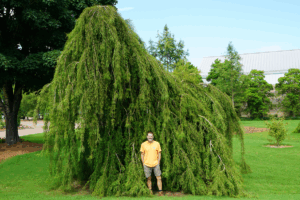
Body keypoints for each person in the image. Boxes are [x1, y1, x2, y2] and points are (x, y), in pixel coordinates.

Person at [140, 131, 163, 196]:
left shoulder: (157, 144)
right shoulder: (143, 144)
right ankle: (150, 191)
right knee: (149, 178)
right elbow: (142, 154)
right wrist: (143, 162)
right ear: (147, 137)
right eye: (149, 136)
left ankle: (160, 191)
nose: (150, 137)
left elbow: (159, 153)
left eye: (151, 136)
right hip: (147, 164)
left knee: (159, 177)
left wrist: (158, 162)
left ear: (153, 136)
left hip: (156, 164)